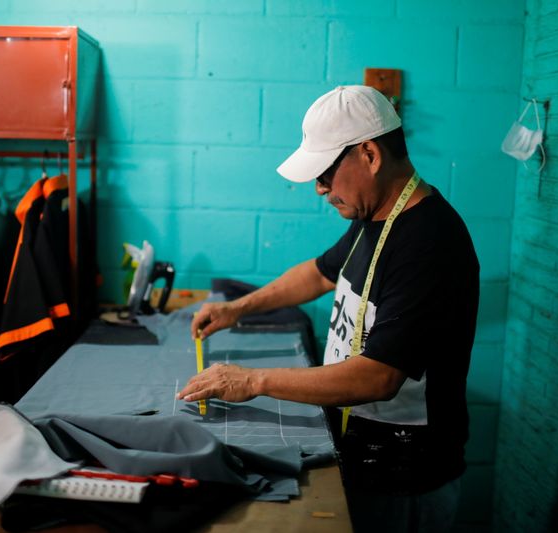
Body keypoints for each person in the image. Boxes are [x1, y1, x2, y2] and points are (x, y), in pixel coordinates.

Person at [178, 85, 479, 532]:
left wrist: (252, 380)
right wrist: (238, 308)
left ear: (370, 155)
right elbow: (320, 273)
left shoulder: (428, 243)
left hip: (405, 482)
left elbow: (377, 376)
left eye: (325, 173)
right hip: (362, 462)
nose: (320, 189)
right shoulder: (373, 217)